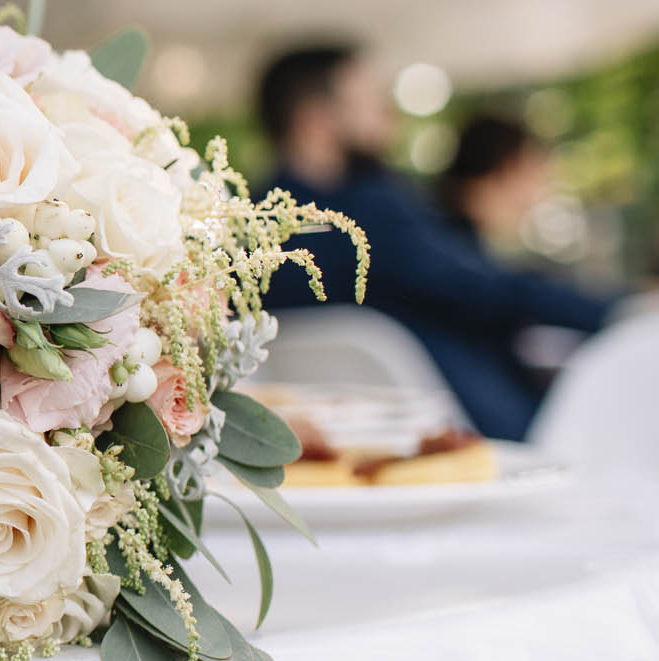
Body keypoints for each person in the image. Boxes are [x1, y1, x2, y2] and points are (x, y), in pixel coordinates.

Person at [257, 45, 618, 441]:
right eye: (369, 100)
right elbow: (487, 288)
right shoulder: (370, 215)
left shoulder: (251, 230)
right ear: (314, 119)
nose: (386, 112)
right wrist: (617, 308)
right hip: (481, 431)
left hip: (340, 453)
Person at [437, 113, 550, 248]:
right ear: (507, 166)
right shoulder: (446, 247)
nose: (534, 198)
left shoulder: (449, 235)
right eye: (531, 175)